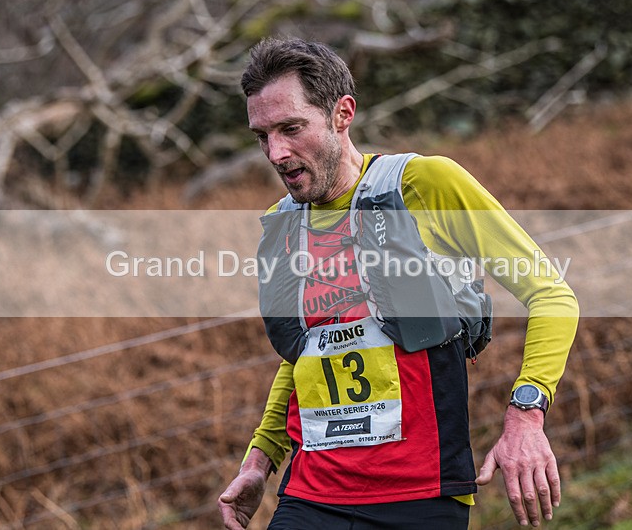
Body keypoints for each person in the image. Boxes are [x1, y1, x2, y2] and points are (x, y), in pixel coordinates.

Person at [218, 38, 578, 530]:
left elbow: (551, 294)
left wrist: (526, 415)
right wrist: (260, 459)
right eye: (262, 135)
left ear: (343, 113)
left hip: (420, 496)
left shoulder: (423, 184)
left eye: (291, 128)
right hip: (310, 496)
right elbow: (307, 353)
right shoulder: (281, 225)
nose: (276, 152)